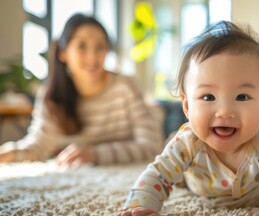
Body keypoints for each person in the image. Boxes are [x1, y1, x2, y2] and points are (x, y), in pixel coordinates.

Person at [112, 21, 259, 216]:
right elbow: (158, 174)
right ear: (187, 106)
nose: (225, 111)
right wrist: (139, 206)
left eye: (242, 97)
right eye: (208, 97)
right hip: (196, 176)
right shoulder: (188, 142)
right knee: (174, 157)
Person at [0, 13, 163, 168]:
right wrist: (8, 153)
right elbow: (37, 147)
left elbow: (151, 146)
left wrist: (95, 154)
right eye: (81, 46)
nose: (92, 57)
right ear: (63, 53)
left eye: (100, 46)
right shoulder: (52, 94)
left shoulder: (125, 86)